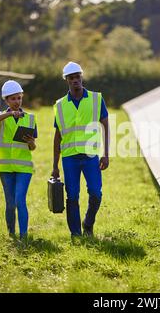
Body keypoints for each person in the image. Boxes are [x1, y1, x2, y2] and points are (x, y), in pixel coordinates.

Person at [52, 61, 110, 239]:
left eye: (78, 76)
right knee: (72, 197)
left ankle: (88, 223)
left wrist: (106, 154)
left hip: (91, 156)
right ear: (67, 80)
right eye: (71, 77)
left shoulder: (96, 99)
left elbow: (106, 126)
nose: (75, 80)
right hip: (69, 158)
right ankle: (76, 234)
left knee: (95, 193)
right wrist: (55, 165)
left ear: (81, 77)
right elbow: (57, 136)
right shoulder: (60, 105)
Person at [0, 80, 37, 240]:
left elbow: (32, 147)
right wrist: (10, 114)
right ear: (6, 101)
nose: (17, 101)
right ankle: (11, 234)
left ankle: (23, 236)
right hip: (5, 168)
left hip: (24, 168)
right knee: (10, 204)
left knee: (19, 200)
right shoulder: (0, 117)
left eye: (19, 98)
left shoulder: (30, 118)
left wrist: (31, 143)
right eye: (13, 99)